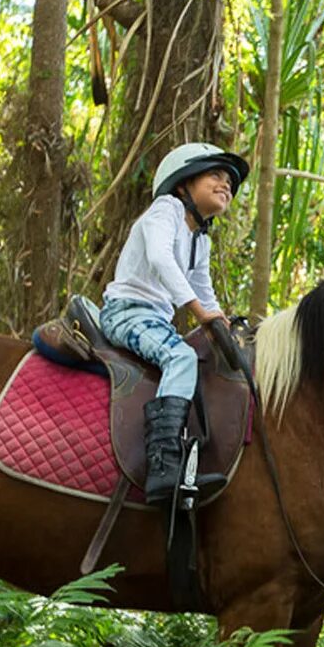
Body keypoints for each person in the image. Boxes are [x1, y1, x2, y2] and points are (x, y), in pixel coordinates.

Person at [99, 142, 250, 512]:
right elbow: (161, 259)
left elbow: (204, 291)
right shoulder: (164, 211)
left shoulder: (201, 238)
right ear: (183, 185)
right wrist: (201, 314)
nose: (225, 184)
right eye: (215, 175)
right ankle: (164, 464)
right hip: (128, 312)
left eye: (230, 181)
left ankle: (192, 461)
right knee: (181, 358)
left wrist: (223, 327)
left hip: (155, 318)